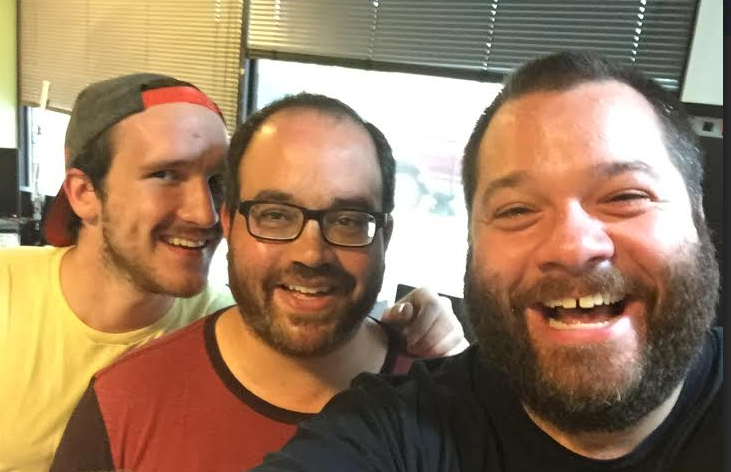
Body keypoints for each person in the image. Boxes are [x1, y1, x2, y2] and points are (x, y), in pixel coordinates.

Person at [246, 51, 722, 472]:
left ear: (697, 217)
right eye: (517, 210)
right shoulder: (393, 428)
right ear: (471, 243)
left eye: (625, 196)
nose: (572, 248)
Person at [0, 75, 465, 472]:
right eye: (166, 174)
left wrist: (436, 331)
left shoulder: (442, 402)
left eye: (217, 183)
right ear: (84, 193)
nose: (203, 213)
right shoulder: (119, 392)